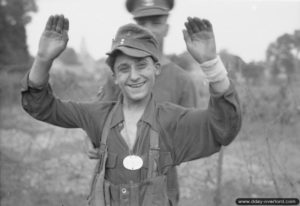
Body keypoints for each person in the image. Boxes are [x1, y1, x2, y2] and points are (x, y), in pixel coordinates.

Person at [21, 14, 242, 206]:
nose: (134, 76)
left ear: (156, 69)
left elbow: (222, 128)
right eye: (124, 68)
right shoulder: (98, 115)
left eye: (142, 65)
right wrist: (42, 60)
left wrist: (211, 64)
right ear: (115, 77)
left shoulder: (173, 120)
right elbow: (41, 106)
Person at [92, 1, 198, 204]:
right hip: (113, 191)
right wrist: (93, 142)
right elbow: (97, 125)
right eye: (141, 23)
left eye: (156, 22)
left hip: (159, 192)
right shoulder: (118, 76)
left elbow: (189, 142)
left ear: (166, 27)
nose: (148, 29)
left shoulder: (182, 81)